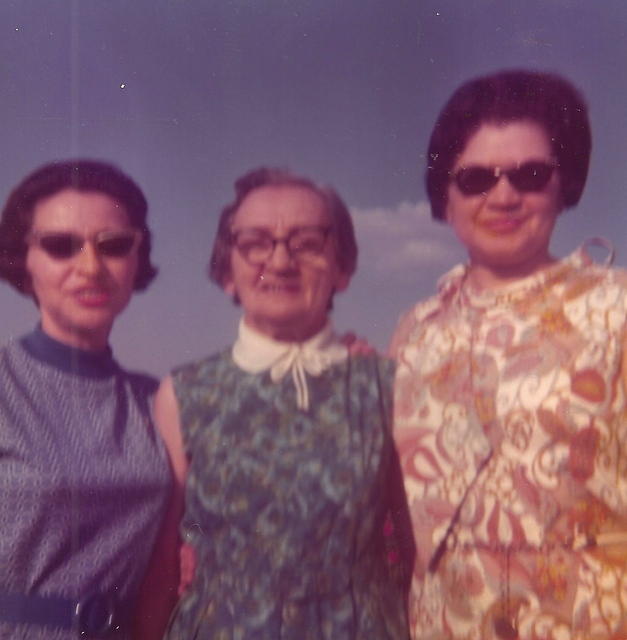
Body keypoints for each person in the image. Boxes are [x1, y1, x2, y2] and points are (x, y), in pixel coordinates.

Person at [390, 68, 627, 640]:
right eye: (475, 179)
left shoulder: (616, 308)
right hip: (441, 622)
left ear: (563, 183)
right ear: (444, 197)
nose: (503, 195)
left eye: (530, 174)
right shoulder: (414, 331)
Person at [145, 167, 412, 639]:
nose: (281, 260)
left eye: (307, 242)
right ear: (227, 272)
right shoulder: (185, 392)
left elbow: (415, 544)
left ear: (342, 268)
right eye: (256, 243)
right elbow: (161, 558)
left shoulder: (386, 385)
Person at [0, 159, 171, 639]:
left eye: (114, 246)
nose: (90, 267)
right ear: (22, 258)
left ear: (138, 258)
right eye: (61, 246)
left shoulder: (158, 403)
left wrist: (327, 355)